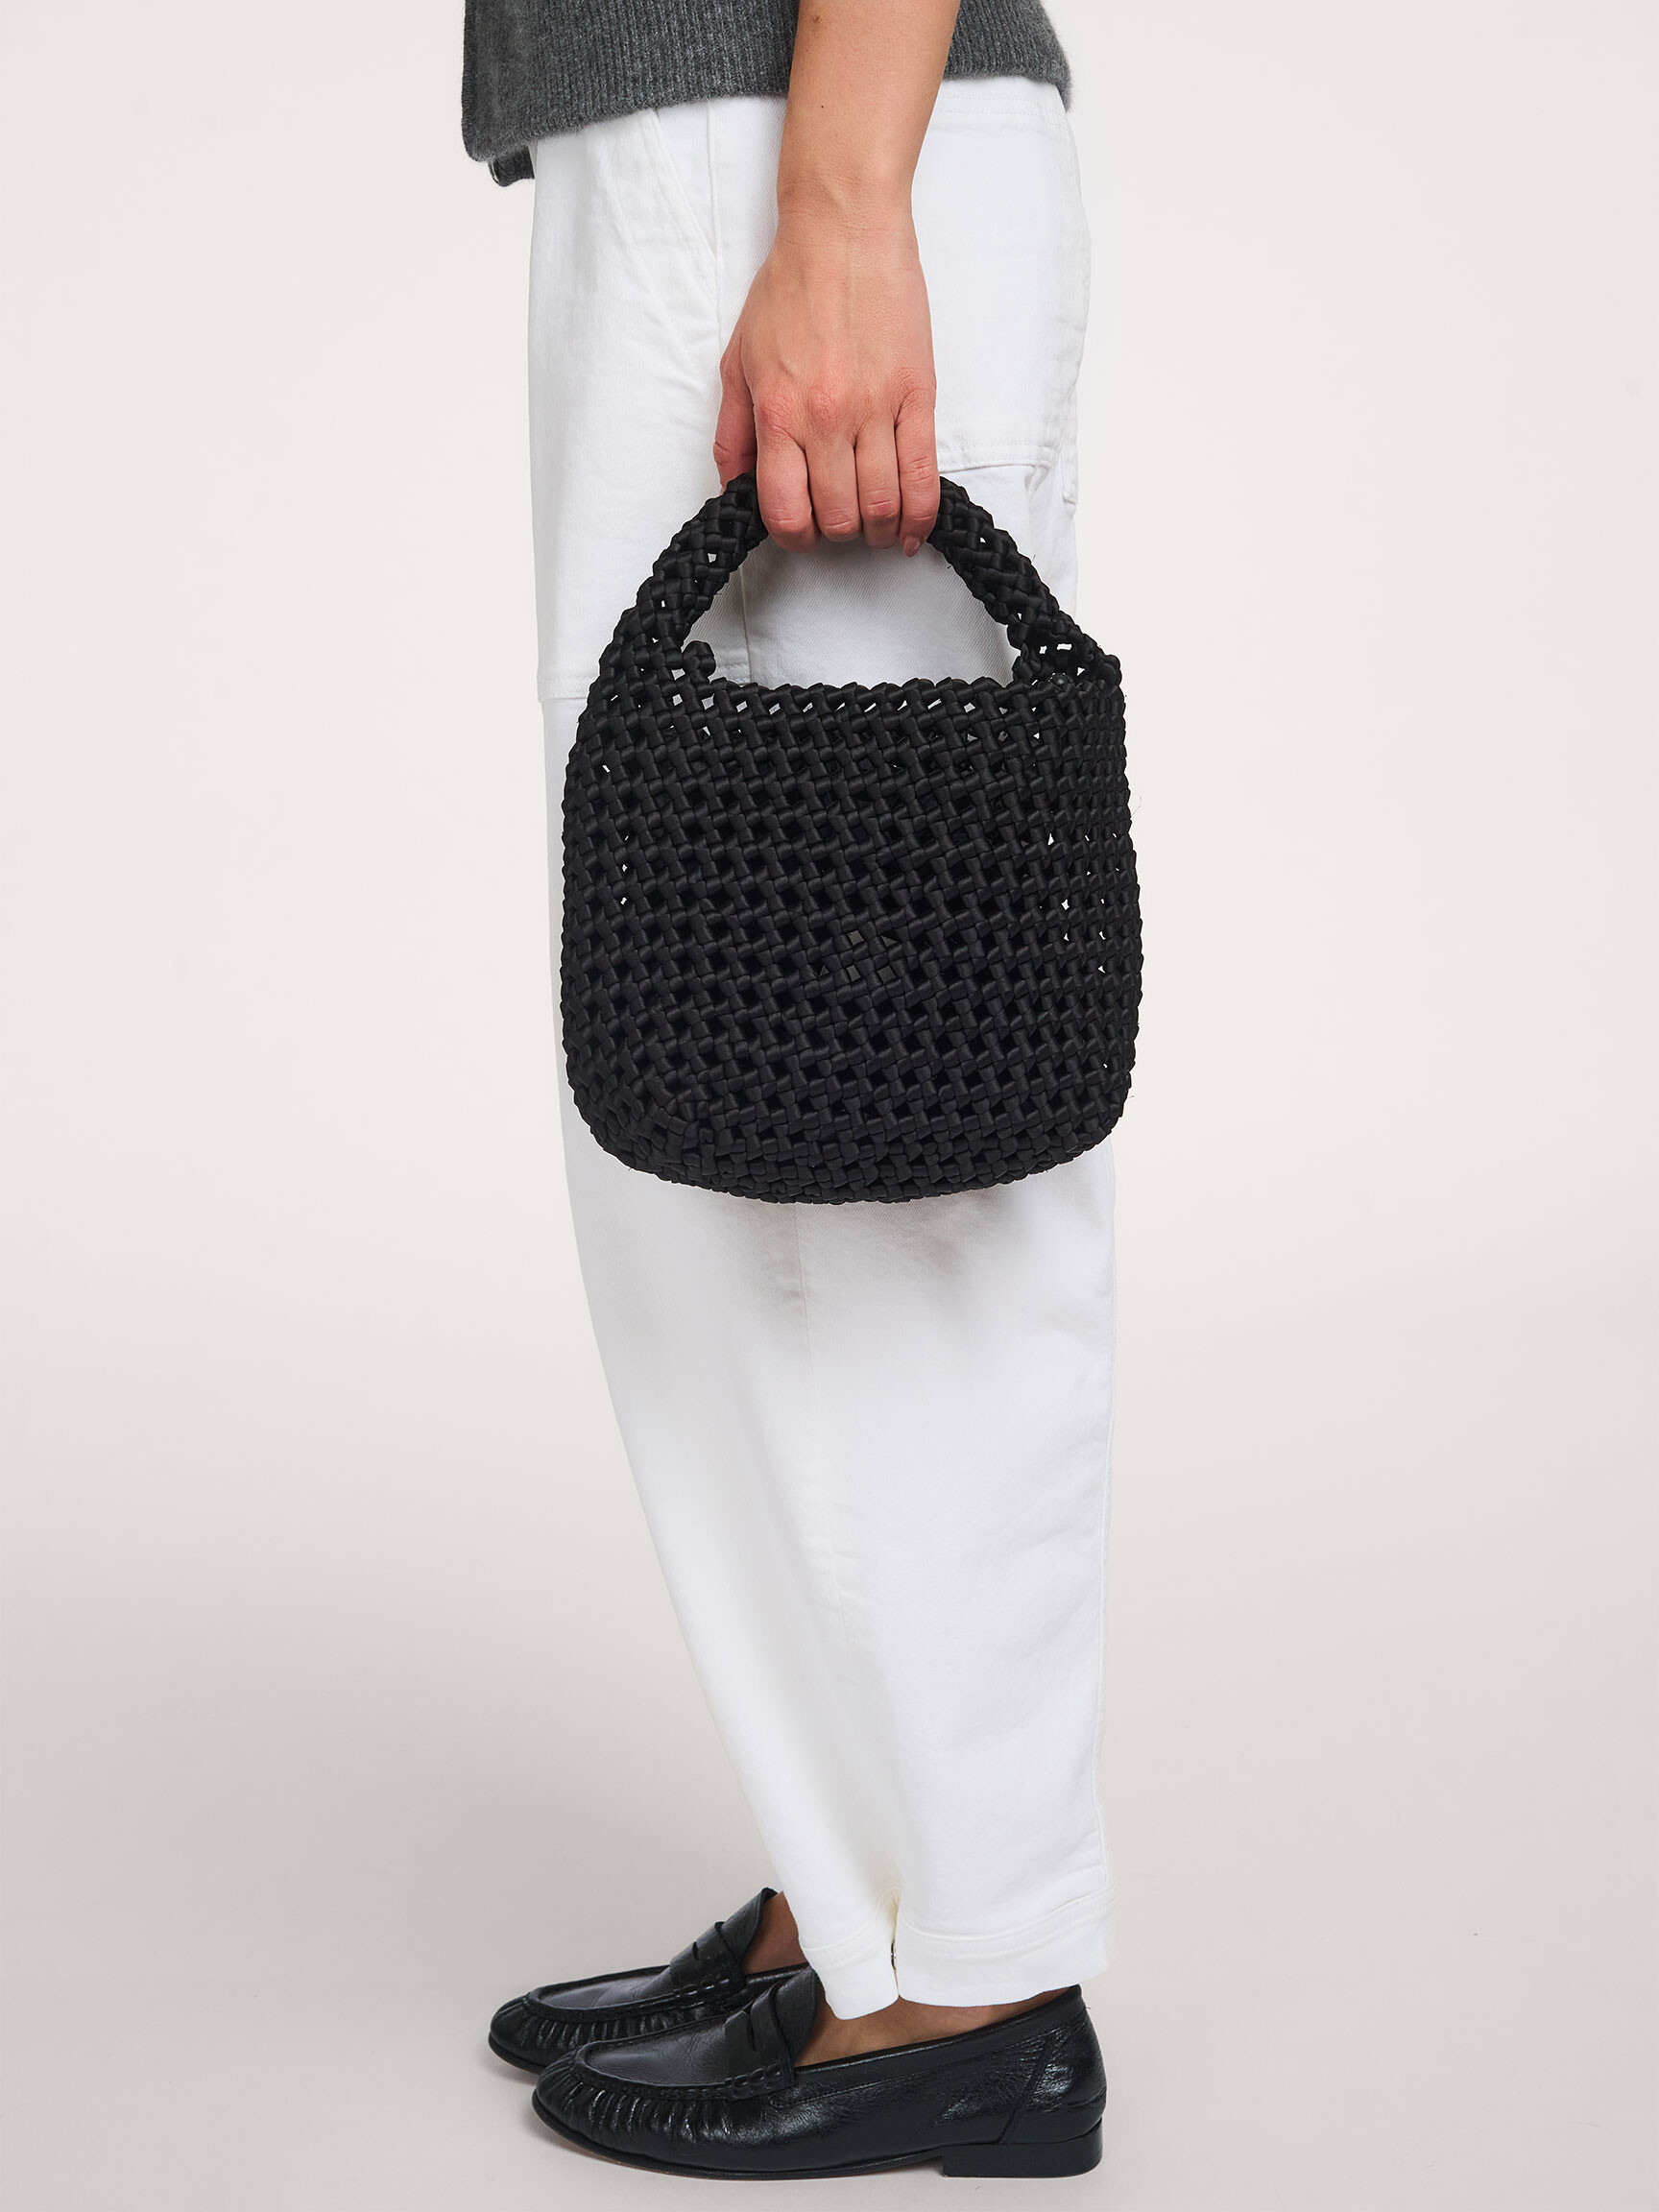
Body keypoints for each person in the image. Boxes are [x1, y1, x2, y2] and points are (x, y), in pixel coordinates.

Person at [465, 0, 1118, 2178]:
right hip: (713, 139)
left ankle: (976, 1981)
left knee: (891, 1153)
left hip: (790, 141)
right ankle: (858, 1893)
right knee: (730, 1126)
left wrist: (841, 201)